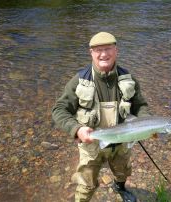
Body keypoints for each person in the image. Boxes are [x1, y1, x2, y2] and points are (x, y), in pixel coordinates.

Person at [52, 32, 150, 202]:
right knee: (86, 183)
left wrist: (147, 124)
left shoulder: (129, 79)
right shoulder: (79, 81)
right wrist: (77, 129)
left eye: (108, 49)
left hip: (121, 143)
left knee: (122, 171)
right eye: (98, 50)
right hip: (92, 145)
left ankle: (119, 187)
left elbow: (140, 106)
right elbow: (59, 110)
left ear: (116, 50)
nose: (103, 54)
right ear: (91, 53)